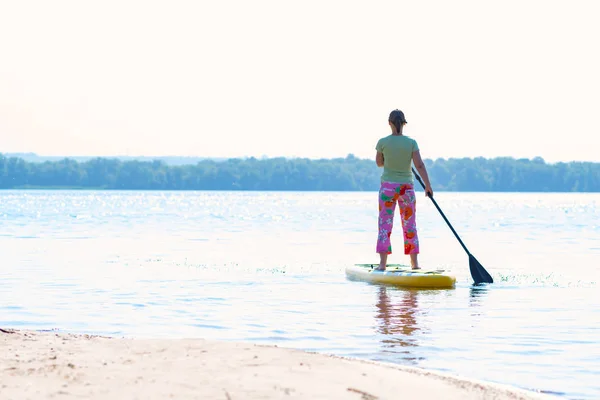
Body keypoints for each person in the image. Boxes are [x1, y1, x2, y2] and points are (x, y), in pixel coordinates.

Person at [374, 109, 433, 271]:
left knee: (385, 224)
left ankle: (382, 264)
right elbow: (419, 165)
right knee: (409, 225)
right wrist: (428, 185)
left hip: (387, 189)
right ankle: (415, 264)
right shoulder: (411, 143)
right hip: (406, 188)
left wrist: (389, 157)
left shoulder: (382, 142)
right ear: (404, 123)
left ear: (389, 123)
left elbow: (379, 163)